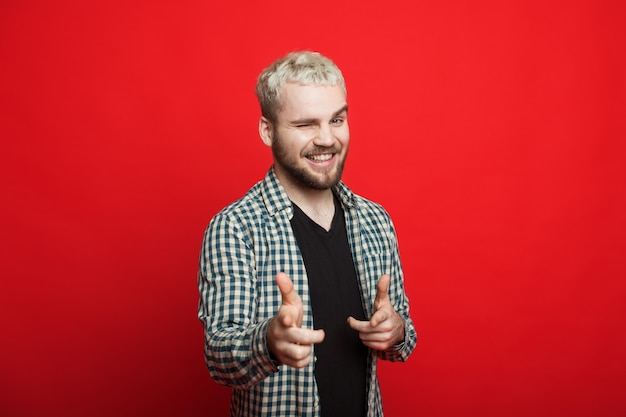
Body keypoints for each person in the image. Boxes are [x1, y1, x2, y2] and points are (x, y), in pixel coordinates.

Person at [198, 51, 417, 417]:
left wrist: (395, 332)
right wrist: (267, 341)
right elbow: (219, 357)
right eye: (305, 125)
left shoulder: (376, 221)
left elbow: (403, 339)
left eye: (337, 119)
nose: (327, 138)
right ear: (268, 130)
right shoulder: (235, 227)